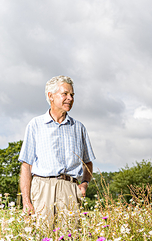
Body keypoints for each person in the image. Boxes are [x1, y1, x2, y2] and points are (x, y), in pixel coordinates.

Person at [18, 75, 95, 226]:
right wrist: (26, 201)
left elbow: (88, 162)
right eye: (65, 94)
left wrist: (84, 184)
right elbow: (26, 165)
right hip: (42, 188)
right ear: (50, 96)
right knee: (42, 238)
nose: (70, 98)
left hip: (70, 189)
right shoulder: (35, 125)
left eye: (72, 95)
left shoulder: (78, 127)